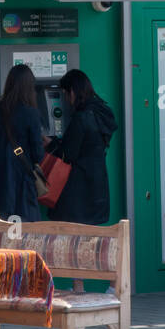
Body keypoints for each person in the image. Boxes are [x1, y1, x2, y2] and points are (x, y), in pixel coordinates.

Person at [45, 69, 117, 225]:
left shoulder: (81, 117)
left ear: (72, 91)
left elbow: (67, 154)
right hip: (97, 187)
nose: (65, 99)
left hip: (79, 193)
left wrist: (49, 143)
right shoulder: (102, 112)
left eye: (65, 94)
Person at [0, 64, 46, 222]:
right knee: (21, 234)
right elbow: (38, 155)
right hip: (19, 186)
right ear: (29, 87)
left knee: (0, 233)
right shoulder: (30, 113)